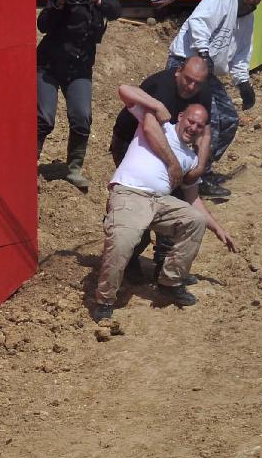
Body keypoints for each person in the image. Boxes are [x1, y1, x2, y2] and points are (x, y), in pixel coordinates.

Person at [94, 90, 237, 322]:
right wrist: (158, 104)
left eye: (200, 126)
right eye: (191, 121)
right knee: (123, 242)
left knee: (195, 220)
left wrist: (218, 229)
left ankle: (170, 282)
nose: (193, 127)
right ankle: (105, 299)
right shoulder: (160, 125)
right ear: (181, 117)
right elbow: (123, 90)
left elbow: (193, 200)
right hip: (130, 193)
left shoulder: (189, 158)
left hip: (159, 201)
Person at [167, 0, 262, 198]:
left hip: (208, 70)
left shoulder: (248, 16)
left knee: (230, 120)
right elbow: (199, 22)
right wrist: (203, 52)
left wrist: (243, 82)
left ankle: (202, 168)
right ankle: (195, 178)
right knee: (209, 120)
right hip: (186, 63)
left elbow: (241, 53)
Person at [109, 55, 212, 282]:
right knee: (141, 199)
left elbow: (206, 130)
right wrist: (173, 164)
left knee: (173, 198)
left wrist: (200, 166)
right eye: (188, 80)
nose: (191, 86)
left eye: (197, 83)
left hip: (167, 147)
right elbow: (149, 128)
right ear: (178, 72)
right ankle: (130, 258)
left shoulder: (202, 92)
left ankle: (164, 264)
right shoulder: (161, 86)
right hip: (131, 142)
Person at [37, 0, 122, 190]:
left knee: (82, 117)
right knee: (44, 117)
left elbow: (115, 10)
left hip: (79, 66)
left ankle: (74, 167)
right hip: (49, 64)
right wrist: (57, 2)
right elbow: (42, 25)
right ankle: (27, 163)